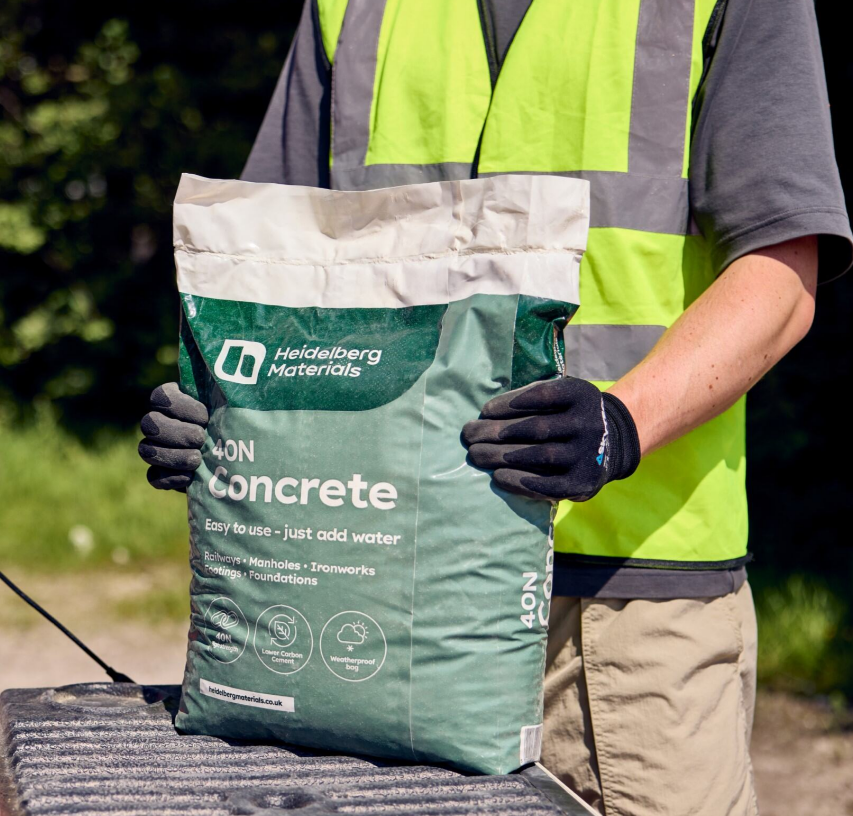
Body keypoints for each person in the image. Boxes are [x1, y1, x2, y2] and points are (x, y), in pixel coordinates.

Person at [138, 1, 852, 813]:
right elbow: (273, 266)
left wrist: (622, 422)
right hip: (359, 582)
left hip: (622, 608)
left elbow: (780, 274)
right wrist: (224, 413)